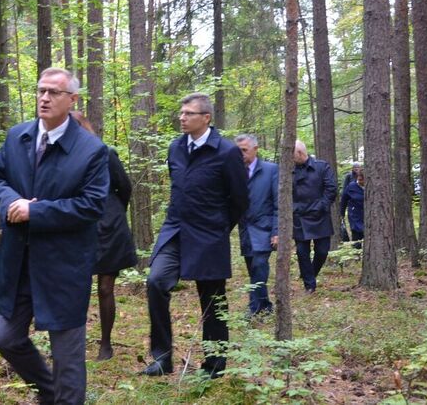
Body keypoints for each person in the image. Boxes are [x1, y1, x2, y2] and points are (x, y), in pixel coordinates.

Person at [0, 68, 109, 405]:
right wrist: (12, 201)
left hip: (63, 265)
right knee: (6, 338)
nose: (44, 98)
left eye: (54, 92)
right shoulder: (17, 136)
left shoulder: (92, 150)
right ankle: (48, 390)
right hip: (18, 260)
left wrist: (35, 211)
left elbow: (92, 206)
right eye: (41, 90)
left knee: (67, 355)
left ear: (72, 100)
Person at [142, 93, 248, 379]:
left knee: (212, 299)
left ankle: (214, 364)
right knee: (155, 282)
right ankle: (162, 358)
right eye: (181, 112)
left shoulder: (226, 152)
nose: (182, 117)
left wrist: (219, 227)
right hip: (175, 229)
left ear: (206, 118)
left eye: (189, 113)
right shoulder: (175, 147)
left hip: (209, 234)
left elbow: (239, 199)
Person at [71, 111, 137, 361]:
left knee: (106, 287)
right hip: (78, 227)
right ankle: (72, 342)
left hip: (110, 228)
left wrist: (113, 212)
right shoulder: (63, 158)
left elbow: (125, 187)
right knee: (76, 287)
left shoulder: (105, 153)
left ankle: (106, 344)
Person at [235, 134, 278, 316]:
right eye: (238, 151)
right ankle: (265, 305)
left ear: (255, 149)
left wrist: (277, 231)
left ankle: (253, 308)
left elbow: (279, 203)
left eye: (244, 150)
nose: (241, 154)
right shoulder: (235, 172)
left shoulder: (271, 170)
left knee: (260, 265)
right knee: (253, 268)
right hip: (245, 230)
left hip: (265, 228)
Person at [292, 140, 337, 294]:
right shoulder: (289, 170)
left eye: (292, 154)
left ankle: (310, 273)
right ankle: (309, 285)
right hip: (299, 217)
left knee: (322, 251)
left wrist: (321, 206)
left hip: (320, 216)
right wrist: (293, 209)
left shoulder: (322, 166)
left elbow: (331, 189)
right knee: (302, 252)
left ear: (299, 153)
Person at [340, 169, 365, 248]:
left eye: (362, 179)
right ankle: (356, 254)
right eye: (359, 179)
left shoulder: (372, 186)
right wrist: (342, 213)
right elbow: (344, 199)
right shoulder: (351, 186)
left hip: (368, 215)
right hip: (355, 215)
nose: (360, 181)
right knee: (357, 234)